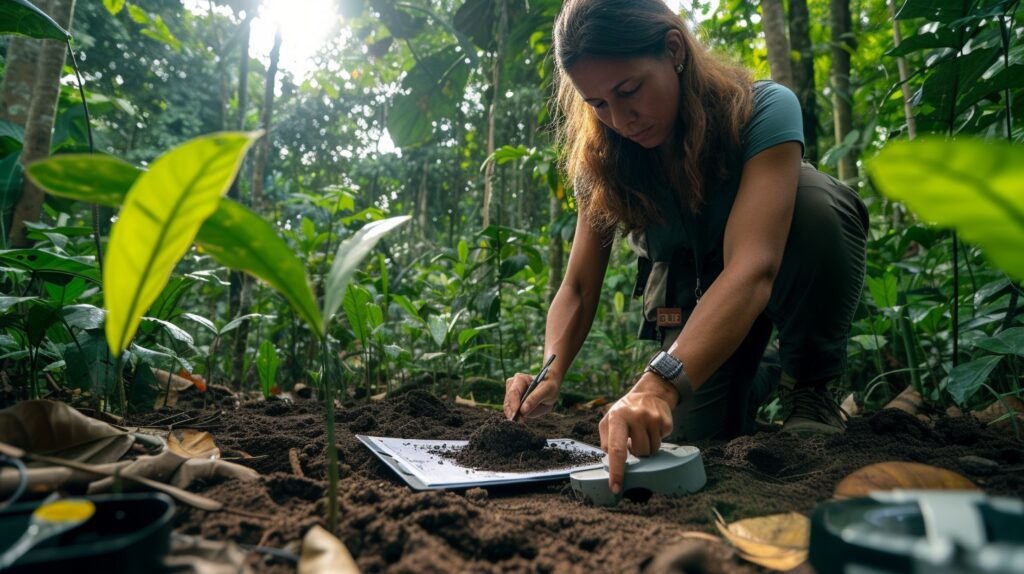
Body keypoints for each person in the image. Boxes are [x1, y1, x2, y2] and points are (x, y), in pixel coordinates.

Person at [503, 0, 868, 495]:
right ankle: (760, 369)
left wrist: (659, 382)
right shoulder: (603, 157)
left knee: (815, 205)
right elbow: (580, 285)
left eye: (628, 90)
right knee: (691, 436)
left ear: (673, 49)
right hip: (694, 304)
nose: (620, 118)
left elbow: (753, 266)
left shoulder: (762, 108)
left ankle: (810, 387)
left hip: (765, 267)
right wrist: (551, 368)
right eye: (598, 104)